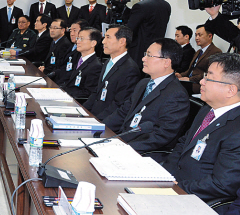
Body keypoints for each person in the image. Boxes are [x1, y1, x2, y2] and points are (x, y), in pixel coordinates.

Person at [164, 53, 240, 206]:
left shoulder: (236, 129)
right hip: (172, 185)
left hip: (195, 200)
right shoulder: (207, 110)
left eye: (209, 78)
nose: (201, 81)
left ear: (231, 90)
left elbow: (221, 185)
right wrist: (164, 176)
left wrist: (175, 187)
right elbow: (182, 144)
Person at [102, 38, 189, 162]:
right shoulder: (143, 83)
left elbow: (161, 136)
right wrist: (100, 129)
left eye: (149, 55)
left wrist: (123, 147)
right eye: (145, 54)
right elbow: (122, 112)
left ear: (166, 62)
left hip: (142, 153)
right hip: (122, 141)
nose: (143, 59)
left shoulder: (176, 95)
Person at [83, 25, 140, 120]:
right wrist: (82, 111)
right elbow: (97, 91)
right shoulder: (108, 62)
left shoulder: (130, 69)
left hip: (105, 120)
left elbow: (119, 104)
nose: (103, 41)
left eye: (108, 37)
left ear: (122, 41)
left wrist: (96, 120)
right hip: (94, 114)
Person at [127, 0, 172, 68]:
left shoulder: (140, 6)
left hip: (138, 54)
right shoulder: (166, 5)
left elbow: (129, 31)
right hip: (158, 53)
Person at [176, 24, 222, 93]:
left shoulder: (216, 52)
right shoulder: (198, 52)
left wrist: (189, 79)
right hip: (190, 81)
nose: (196, 38)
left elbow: (209, 74)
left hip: (199, 84)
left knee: (176, 87)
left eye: (200, 35)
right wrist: (180, 75)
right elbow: (191, 69)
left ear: (210, 36)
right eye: (196, 35)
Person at [59, 28, 102, 99]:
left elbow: (87, 93)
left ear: (93, 43)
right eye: (78, 38)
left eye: (81, 39)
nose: (78, 41)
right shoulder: (79, 59)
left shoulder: (95, 66)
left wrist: (64, 93)